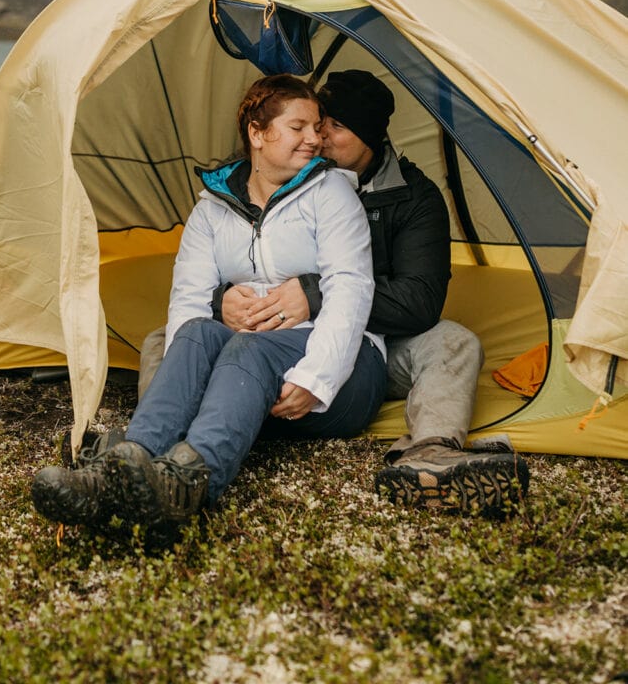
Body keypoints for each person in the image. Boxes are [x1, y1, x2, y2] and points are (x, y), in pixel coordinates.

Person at [31, 74, 386, 537]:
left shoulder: (333, 193)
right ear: (258, 134)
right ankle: (119, 473)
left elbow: (351, 291)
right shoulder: (212, 208)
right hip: (247, 384)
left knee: (247, 348)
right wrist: (198, 357)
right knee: (196, 331)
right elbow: (189, 298)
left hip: (341, 373)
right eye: (298, 127)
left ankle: (188, 487)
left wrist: (315, 379)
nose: (314, 138)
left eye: (317, 127)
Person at [211, 70, 529, 514]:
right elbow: (231, 257)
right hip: (274, 332)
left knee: (454, 341)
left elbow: (419, 303)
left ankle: (430, 454)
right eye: (314, 123)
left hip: (367, 344)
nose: (317, 138)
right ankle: (146, 449)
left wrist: (318, 295)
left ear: (371, 137)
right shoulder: (277, 175)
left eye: (334, 127)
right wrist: (219, 300)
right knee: (169, 337)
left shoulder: (413, 199)